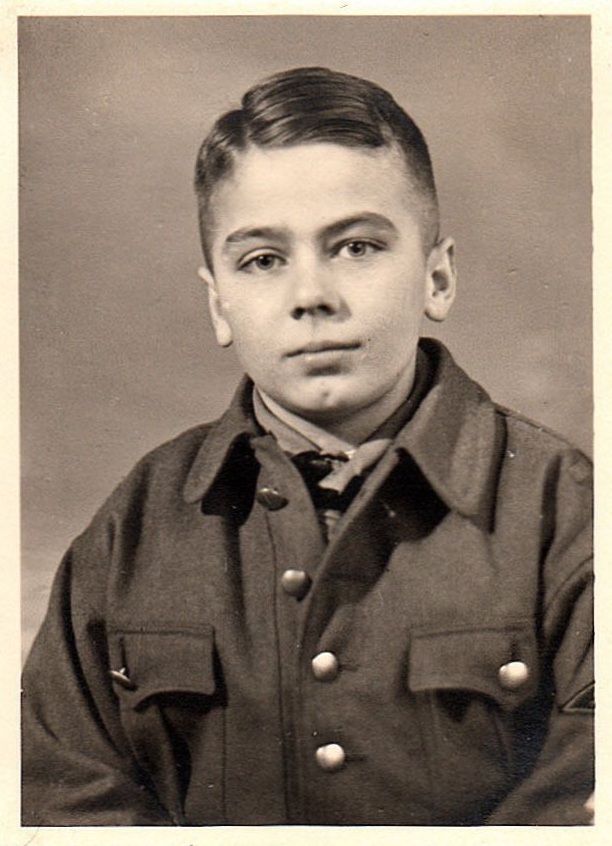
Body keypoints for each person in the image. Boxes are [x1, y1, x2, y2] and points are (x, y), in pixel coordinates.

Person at [21, 66, 593, 826]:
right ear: (219, 302)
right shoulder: (138, 524)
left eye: (356, 246)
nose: (311, 295)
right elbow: (64, 796)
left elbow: (585, 802)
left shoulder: (566, 513)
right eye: (263, 260)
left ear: (438, 279)